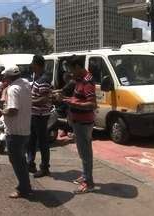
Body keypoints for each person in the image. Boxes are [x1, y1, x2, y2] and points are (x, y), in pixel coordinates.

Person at [64, 56, 97, 194]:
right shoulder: (79, 79)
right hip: (78, 121)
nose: (70, 72)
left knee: (85, 153)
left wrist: (71, 103)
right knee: (82, 152)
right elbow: (77, 96)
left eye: (71, 69)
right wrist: (66, 98)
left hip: (84, 122)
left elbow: (92, 104)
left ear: (77, 67)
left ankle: (88, 183)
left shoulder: (87, 81)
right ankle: (85, 175)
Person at [0, 65, 32, 199]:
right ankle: (25, 185)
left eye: (5, 77)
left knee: (17, 161)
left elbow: (13, 110)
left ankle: (23, 188)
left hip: (15, 132)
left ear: (8, 77)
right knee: (21, 160)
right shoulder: (25, 84)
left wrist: (2, 111)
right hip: (25, 129)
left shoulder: (13, 89)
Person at [27, 55, 54, 178]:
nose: (31, 66)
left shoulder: (44, 79)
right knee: (31, 140)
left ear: (37, 64)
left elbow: (44, 99)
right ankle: (30, 163)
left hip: (41, 116)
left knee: (42, 142)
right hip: (34, 114)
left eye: (32, 63)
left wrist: (29, 101)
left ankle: (44, 168)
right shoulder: (36, 77)